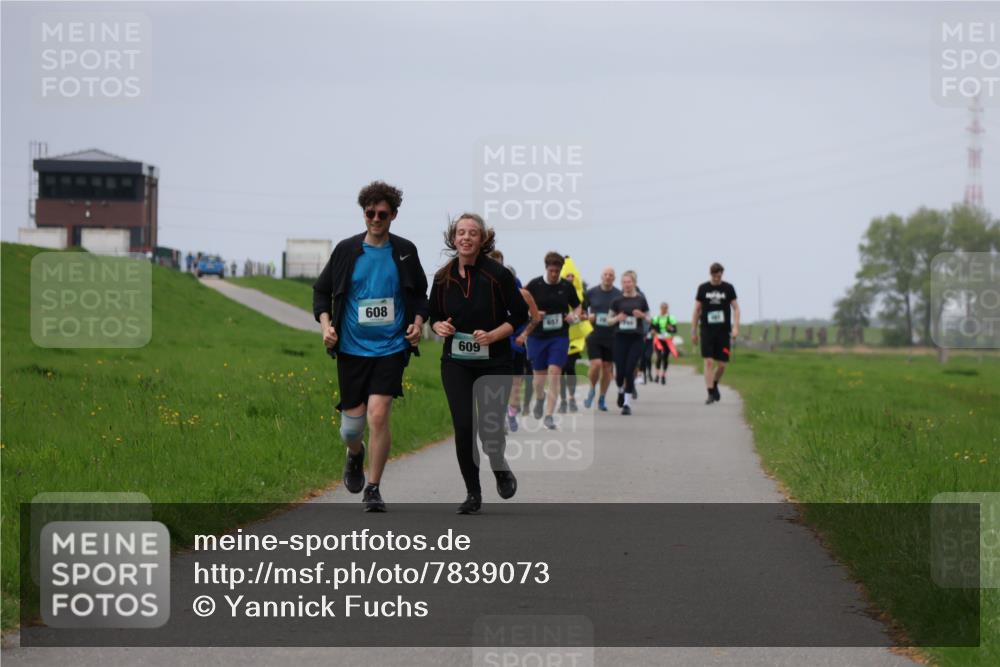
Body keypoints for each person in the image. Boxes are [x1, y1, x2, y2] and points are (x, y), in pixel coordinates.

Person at [312, 181, 428, 512]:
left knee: (379, 415)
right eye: (370, 213)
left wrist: (418, 325)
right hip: (351, 350)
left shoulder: (404, 251)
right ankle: (355, 453)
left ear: (394, 215)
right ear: (363, 213)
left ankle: (373, 488)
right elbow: (321, 292)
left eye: (383, 214)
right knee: (352, 428)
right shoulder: (347, 251)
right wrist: (326, 327)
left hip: (391, 348)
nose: (376, 219)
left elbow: (421, 295)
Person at [430, 217, 529, 514]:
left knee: (489, 430)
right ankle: (473, 493)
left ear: (482, 239)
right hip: (456, 362)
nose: (466, 238)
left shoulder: (498, 275)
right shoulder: (442, 276)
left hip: (495, 361)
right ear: (453, 237)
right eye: (461, 233)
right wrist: (439, 327)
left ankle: (499, 465)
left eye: (473, 233)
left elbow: (520, 314)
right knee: (463, 425)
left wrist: (495, 335)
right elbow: (432, 313)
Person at [524, 252, 583, 430]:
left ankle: (549, 415)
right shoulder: (534, 285)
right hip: (537, 336)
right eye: (552, 270)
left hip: (559, 336)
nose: (554, 274)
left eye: (557, 271)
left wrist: (574, 316)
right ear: (546, 268)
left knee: (554, 372)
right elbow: (521, 305)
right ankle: (540, 398)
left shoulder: (566, 286)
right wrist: (532, 313)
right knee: (538, 380)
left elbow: (578, 306)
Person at [487, 250, 540, 433]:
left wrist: (524, 335)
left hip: (516, 344)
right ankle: (500, 417)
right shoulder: (486, 291)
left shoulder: (522, 294)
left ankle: (511, 413)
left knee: (515, 383)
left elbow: (535, 318)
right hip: (494, 343)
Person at [691, 262, 740, 405]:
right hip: (706, 330)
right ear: (710, 274)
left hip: (723, 331)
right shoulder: (703, 288)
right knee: (708, 362)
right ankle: (710, 393)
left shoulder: (728, 288)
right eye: (714, 276)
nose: (717, 279)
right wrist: (694, 331)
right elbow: (696, 310)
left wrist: (736, 327)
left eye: (719, 276)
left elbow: (736, 308)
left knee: (722, 365)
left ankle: (715, 383)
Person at [610, 270, 650, 415]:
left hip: (636, 338)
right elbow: (609, 320)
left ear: (634, 283)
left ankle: (627, 404)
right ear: (622, 284)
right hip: (620, 339)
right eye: (624, 282)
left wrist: (643, 315)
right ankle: (620, 390)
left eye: (629, 282)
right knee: (620, 372)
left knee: (629, 370)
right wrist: (616, 319)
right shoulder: (616, 301)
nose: (627, 285)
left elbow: (650, 319)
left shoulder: (641, 300)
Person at [582, 267, 621, 411]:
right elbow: (582, 312)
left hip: (612, 336)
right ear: (601, 276)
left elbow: (624, 312)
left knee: (607, 368)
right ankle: (591, 389)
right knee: (596, 364)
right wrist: (587, 317)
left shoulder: (619, 294)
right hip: (594, 335)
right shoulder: (591, 292)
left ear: (614, 278)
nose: (608, 277)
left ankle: (602, 397)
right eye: (606, 274)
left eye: (611, 275)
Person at [558, 256, 593, 413]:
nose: (570, 278)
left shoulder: (581, 294)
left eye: (573, 276)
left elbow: (586, 313)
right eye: (567, 276)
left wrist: (580, 316)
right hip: (560, 335)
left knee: (569, 367)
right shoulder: (558, 291)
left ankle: (571, 399)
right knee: (560, 369)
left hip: (576, 336)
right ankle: (563, 400)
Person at [651, 302, 679, 384]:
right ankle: (657, 375)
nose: (664, 309)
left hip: (667, 340)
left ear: (667, 308)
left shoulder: (671, 318)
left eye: (665, 308)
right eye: (662, 308)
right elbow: (652, 328)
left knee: (665, 357)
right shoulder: (656, 318)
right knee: (659, 357)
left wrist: (671, 328)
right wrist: (653, 331)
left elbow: (675, 330)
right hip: (658, 340)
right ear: (660, 308)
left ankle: (663, 375)